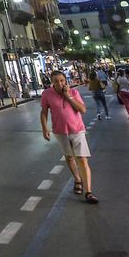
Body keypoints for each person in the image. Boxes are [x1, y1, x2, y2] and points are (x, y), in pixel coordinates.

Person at [40, 70, 96, 204]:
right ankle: (77, 179)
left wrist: (68, 96)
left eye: (62, 80)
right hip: (60, 131)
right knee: (69, 157)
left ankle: (88, 192)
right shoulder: (47, 94)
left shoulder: (74, 92)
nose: (59, 83)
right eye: (56, 81)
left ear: (65, 80)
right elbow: (44, 112)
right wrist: (44, 128)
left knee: (82, 159)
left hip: (77, 130)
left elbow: (82, 110)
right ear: (52, 82)